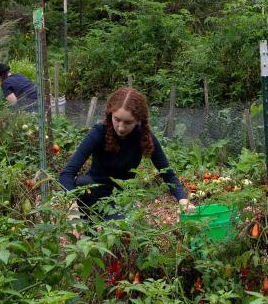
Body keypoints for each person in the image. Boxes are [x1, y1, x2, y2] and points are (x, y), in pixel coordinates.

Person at [59, 87, 192, 220]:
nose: (121, 128)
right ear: (110, 114)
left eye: (128, 122)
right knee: (82, 182)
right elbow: (67, 174)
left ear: (138, 120)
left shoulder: (143, 136)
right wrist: (72, 206)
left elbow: (167, 173)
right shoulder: (99, 132)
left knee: (126, 229)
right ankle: (87, 229)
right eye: (117, 119)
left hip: (122, 199)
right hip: (93, 194)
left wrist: (182, 200)